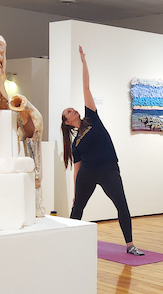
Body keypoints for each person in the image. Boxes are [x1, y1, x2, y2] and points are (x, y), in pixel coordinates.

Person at [61, 46, 144, 256]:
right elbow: (76, 168)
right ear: (68, 122)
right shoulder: (75, 143)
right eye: (69, 112)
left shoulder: (92, 118)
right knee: (77, 208)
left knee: (121, 205)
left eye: (72, 108)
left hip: (108, 169)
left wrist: (83, 62)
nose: (73, 110)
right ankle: (68, 242)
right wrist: (75, 192)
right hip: (88, 173)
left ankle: (130, 245)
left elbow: (86, 89)